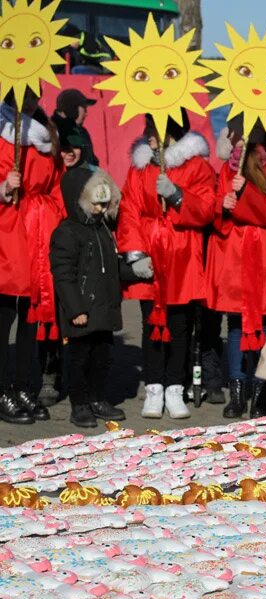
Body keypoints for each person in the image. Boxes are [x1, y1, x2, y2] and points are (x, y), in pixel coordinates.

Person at [117, 110, 215, 420]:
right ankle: (153, 387)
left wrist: (176, 195)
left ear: (169, 129)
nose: (148, 133)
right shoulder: (140, 167)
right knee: (151, 322)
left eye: (153, 127)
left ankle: (175, 386)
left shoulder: (196, 166)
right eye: (147, 126)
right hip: (150, 251)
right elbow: (129, 210)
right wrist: (135, 254)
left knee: (179, 324)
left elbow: (206, 209)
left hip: (182, 253)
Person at [206, 120, 266, 418]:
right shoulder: (229, 168)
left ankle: (260, 392)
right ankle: (237, 392)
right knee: (235, 323)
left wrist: (246, 193)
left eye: (240, 133)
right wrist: (223, 203)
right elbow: (220, 209)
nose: (236, 139)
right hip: (236, 252)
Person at [50, 166, 137, 428]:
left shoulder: (102, 230)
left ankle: (97, 398)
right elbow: (63, 275)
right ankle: (80, 404)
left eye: (104, 204)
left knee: (102, 357)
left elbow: (112, 266)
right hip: (82, 309)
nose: (100, 210)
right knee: (79, 359)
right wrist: (75, 309)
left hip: (104, 307)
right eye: (96, 204)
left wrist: (134, 271)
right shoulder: (67, 232)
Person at [0, 93, 64, 425]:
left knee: (31, 316)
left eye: (34, 92)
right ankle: (2, 390)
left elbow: (56, 186)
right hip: (7, 231)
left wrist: (52, 217)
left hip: (38, 233)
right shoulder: (2, 132)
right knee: (4, 316)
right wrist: (3, 187)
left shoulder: (45, 134)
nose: (30, 99)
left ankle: (24, 385)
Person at [53, 88, 99, 167]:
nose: (86, 114)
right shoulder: (53, 132)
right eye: (84, 109)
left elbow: (92, 161)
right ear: (72, 109)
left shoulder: (83, 132)